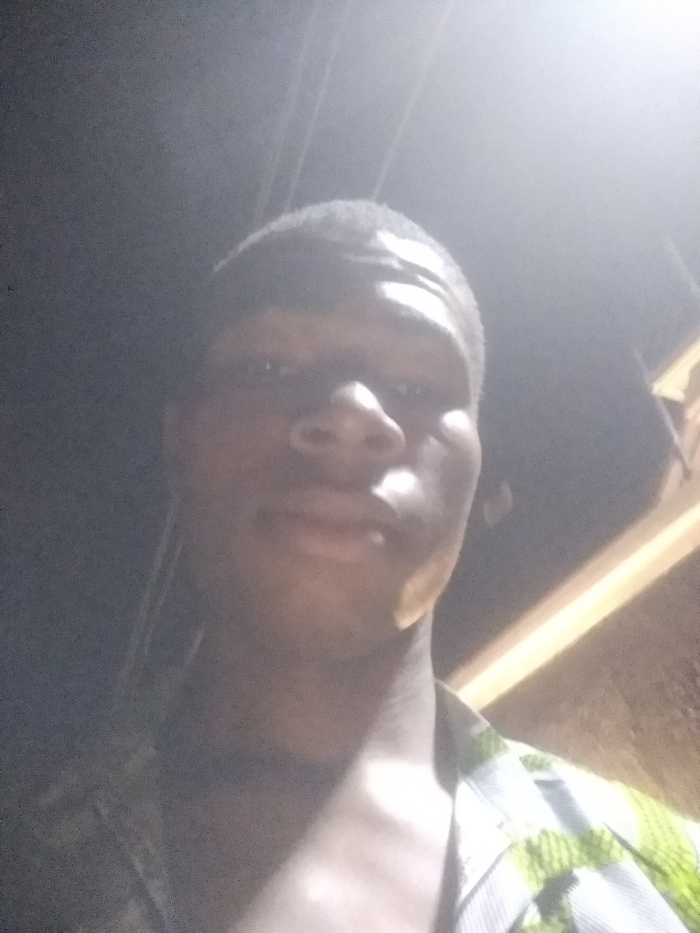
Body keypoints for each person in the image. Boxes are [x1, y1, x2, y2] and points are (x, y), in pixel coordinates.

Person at [5, 200, 700, 933]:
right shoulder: (21, 847)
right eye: (269, 366)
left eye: (419, 386)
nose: (351, 412)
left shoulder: (669, 883)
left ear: (476, 465)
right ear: (181, 440)